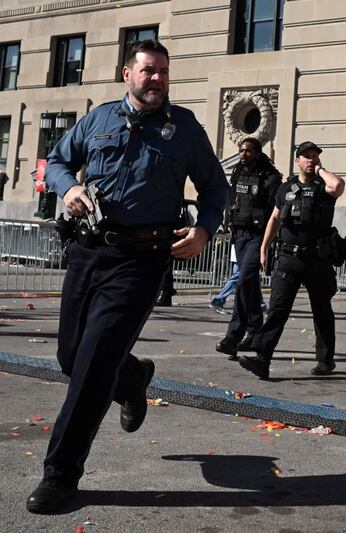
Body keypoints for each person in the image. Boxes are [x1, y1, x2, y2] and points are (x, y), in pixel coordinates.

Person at [27, 40, 227, 513]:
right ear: (127, 74)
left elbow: (215, 186)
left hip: (142, 260)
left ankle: (60, 475)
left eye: (162, 72)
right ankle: (133, 377)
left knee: (93, 365)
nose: (155, 79)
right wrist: (69, 185)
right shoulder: (97, 120)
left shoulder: (184, 130)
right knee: (70, 357)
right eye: (147, 71)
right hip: (88, 251)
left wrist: (204, 230)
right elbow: (55, 161)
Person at [238, 141, 345, 379]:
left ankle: (325, 360)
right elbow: (275, 219)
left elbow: (337, 185)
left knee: (322, 310)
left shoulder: (323, 187)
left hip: (317, 260)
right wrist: (264, 247)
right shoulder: (285, 188)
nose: (311, 159)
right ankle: (262, 360)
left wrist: (319, 170)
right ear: (297, 160)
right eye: (306, 156)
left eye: (315, 156)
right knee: (277, 309)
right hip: (288, 258)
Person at [215, 137, 281, 360]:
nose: (243, 154)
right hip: (240, 235)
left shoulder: (271, 177)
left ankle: (232, 337)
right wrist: (229, 221)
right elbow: (231, 198)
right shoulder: (238, 172)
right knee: (249, 284)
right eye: (241, 151)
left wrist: (269, 241)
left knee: (243, 281)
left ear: (258, 153)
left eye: (248, 151)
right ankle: (254, 332)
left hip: (258, 237)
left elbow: (276, 211)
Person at [208, 244, 266, 314]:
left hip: (240, 252)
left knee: (247, 277)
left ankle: (260, 305)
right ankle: (218, 300)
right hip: (243, 252)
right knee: (240, 276)